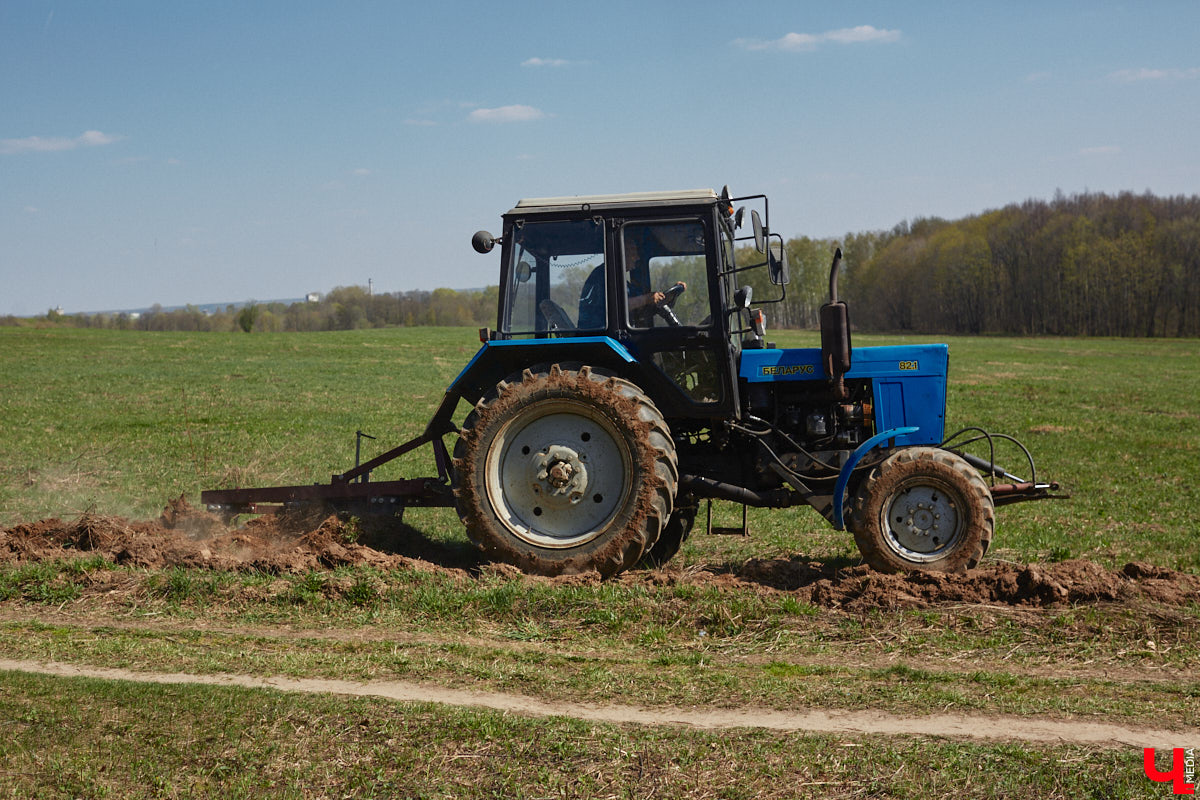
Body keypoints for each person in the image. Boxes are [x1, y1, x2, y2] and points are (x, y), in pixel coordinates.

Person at [577, 235, 685, 329]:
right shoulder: (603, 276)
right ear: (621, 254)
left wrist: (669, 296)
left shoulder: (622, 282)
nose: (637, 257)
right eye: (633, 252)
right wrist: (646, 299)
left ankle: (681, 332)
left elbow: (639, 305)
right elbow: (615, 306)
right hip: (599, 332)